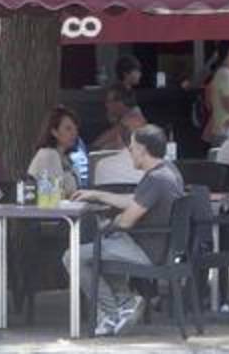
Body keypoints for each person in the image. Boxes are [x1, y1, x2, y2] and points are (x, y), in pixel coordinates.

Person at [66, 125, 185, 337]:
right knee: (101, 247)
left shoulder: (156, 179)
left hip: (145, 250)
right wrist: (97, 195)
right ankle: (125, 303)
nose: (129, 152)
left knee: (73, 257)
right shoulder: (168, 171)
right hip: (158, 245)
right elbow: (135, 201)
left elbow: (127, 221)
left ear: (142, 149)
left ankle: (112, 312)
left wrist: (111, 223)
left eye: (131, 148)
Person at [27, 106, 81, 194]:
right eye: (68, 129)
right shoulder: (48, 155)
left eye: (76, 129)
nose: (74, 133)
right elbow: (54, 192)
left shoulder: (66, 158)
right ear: (54, 132)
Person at [92, 84, 148, 151]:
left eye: (108, 101)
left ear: (120, 102)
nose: (106, 105)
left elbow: (111, 136)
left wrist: (93, 148)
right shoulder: (120, 117)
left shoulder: (134, 119)